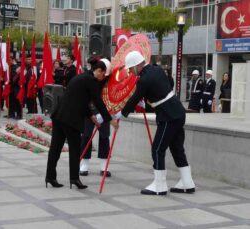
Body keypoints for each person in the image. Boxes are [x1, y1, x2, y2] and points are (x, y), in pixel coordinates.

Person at [116, 51, 195, 195]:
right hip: (178, 111)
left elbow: (134, 98)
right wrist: (150, 96)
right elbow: (165, 85)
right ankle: (187, 182)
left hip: (167, 115)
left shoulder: (143, 80)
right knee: (177, 148)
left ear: (137, 66)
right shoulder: (157, 69)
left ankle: (159, 185)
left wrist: (121, 113)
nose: (131, 72)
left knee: (157, 149)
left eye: (131, 68)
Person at [45, 59, 119, 189]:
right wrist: (110, 120)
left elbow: (81, 100)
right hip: (70, 120)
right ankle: (74, 179)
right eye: (103, 75)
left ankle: (50, 177)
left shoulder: (82, 77)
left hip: (59, 116)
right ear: (99, 71)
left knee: (55, 148)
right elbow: (98, 102)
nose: (103, 78)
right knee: (75, 150)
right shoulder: (92, 81)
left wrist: (91, 116)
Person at [80, 58, 112, 177]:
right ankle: (84, 165)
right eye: (102, 74)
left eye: (106, 75)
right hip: (89, 112)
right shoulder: (88, 78)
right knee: (86, 137)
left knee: (104, 138)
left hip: (104, 112)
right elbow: (86, 98)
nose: (103, 77)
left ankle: (104, 166)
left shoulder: (109, 78)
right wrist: (93, 112)